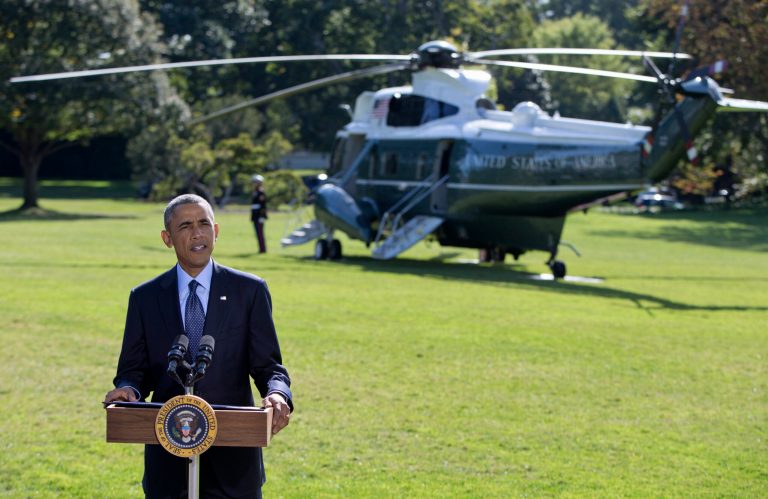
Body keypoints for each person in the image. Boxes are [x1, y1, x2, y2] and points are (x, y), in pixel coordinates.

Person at [104, 194, 292, 498]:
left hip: (234, 464)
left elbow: (269, 367)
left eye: (204, 224)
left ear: (215, 231)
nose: (197, 233)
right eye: (185, 226)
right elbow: (133, 371)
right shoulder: (145, 297)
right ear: (167, 238)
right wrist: (128, 389)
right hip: (169, 464)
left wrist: (277, 393)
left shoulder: (249, 291)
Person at [250, 174, 268, 253]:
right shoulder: (255, 192)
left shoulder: (261, 192)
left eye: (256, 182)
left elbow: (263, 206)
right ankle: (261, 249)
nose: (254, 184)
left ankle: (263, 249)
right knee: (257, 233)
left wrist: (262, 216)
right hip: (255, 216)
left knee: (260, 233)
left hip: (259, 216)